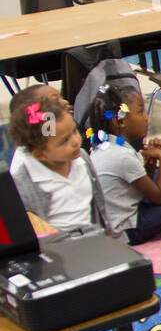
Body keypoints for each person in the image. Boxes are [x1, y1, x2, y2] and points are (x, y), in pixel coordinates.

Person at [84, 84, 161, 244]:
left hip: (118, 216)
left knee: (158, 176)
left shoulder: (106, 146)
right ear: (121, 122)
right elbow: (159, 198)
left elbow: (142, 183)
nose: (146, 117)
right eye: (140, 112)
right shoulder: (122, 156)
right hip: (126, 231)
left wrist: (151, 164)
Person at [10, 93, 111, 235]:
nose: (75, 141)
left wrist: (108, 234)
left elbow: (98, 202)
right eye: (64, 141)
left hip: (93, 236)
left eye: (74, 131)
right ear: (40, 154)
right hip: (57, 244)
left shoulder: (81, 158)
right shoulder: (25, 181)